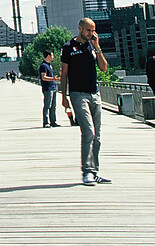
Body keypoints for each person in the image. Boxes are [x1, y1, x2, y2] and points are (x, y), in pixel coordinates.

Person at [60, 17, 111, 185]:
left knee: (98, 136)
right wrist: (64, 97)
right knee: (88, 131)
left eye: (93, 30)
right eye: (88, 30)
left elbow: (103, 68)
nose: (91, 33)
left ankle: (95, 171)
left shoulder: (92, 46)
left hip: (95, 94)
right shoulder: (68, 48)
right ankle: (87, 171)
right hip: (78, 94)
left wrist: (98, 48)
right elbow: (64, 74)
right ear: (80, 28)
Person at [39, 50, 60, 127]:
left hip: (53, 87)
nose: (53, 57)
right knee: (47, 105)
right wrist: (53, 79)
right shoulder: (43, 66)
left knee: (53, 106)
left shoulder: (49, 65)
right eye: (52, 55)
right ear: (48, 56)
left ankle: (53, 122)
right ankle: (46, 122)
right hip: (47, 88)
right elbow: (43, 77)